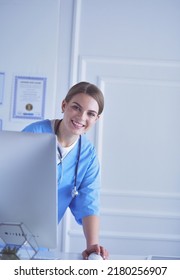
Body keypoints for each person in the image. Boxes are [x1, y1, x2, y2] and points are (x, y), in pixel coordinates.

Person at [22, 81, 109, 260]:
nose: (81, 117)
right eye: (76, 108)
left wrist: (93, 246)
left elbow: (89, 201)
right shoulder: (34, 134)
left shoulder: (88, 155)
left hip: (39, 243)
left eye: (90, 114)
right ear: (64, 105)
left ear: (96, 119)